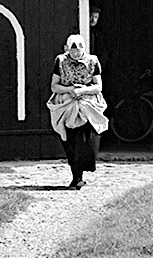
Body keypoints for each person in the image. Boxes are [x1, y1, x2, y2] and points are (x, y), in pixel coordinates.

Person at [47, 33, 110, 188]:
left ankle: (82, 171)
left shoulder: (92, 61)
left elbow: (98, 86)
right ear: (68, 48)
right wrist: (69, 89)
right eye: (73, 49)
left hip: (87, 104)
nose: (76, 52)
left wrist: (83, 91)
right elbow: (54, 85)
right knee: (71, 141)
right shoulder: (60, 61)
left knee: (87, 141)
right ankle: (76, 177)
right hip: (67, 104)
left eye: (79, 48)